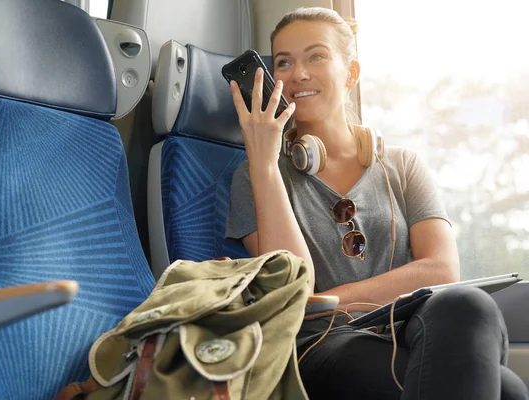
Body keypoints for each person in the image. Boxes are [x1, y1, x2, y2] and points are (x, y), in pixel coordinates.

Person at [225, 6, 529, 400]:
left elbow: (441, 269)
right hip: (321, 344)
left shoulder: (403, 166)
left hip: (404, 328)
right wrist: (264, 164)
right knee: (507, 390)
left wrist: (336, 298)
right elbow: (293, 286)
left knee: (468, 304)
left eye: (316, 56)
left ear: (351, 73)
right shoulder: (255, 175)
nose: (298, 73)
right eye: (284, 62)